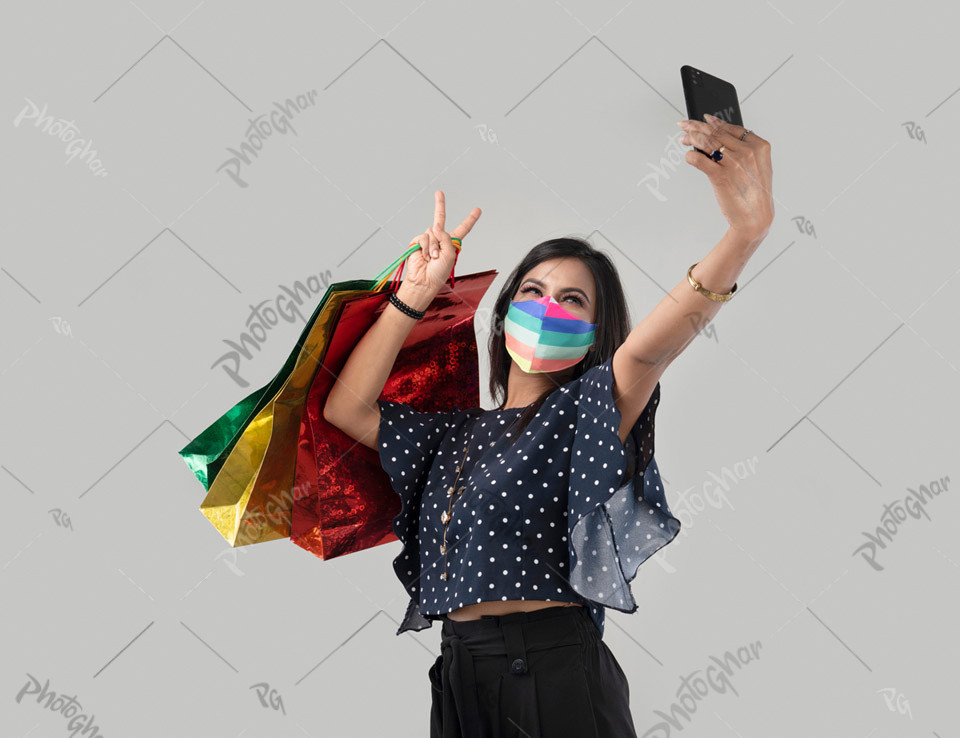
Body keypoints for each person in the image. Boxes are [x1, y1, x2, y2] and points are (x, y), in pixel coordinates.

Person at [324, 115, 774, 738]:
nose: (546, 308)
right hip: (460, 673)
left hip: (552, 671)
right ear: (505, 311)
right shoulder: (451, 435)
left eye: (572, 300)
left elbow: (647, 352)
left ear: (594, 333)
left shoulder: (588, 409)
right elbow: (346, 408)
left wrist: (745, 233)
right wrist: (413, 296)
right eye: (532, 291)